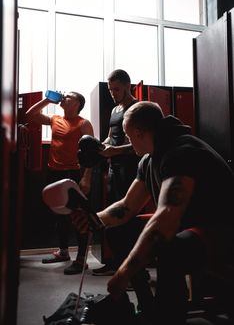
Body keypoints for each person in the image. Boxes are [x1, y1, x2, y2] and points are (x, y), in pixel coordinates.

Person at [72, 101, 234, 324]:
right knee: (118, 232)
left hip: (222, 231)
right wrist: (96, 219)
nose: (129, 142)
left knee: (168, 248)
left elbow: (166, 218)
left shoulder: (181, 151)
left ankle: (167, 317)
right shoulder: (149, 160)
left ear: (139, 133)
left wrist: (123, 274)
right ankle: (149, 309)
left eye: (129, 137)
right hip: (188, 229)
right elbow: (126, 206)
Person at [26, 91, 94, 275]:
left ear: (77, 103)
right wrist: (47, 100)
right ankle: (64, 252)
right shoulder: (55, 119)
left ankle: (81, 260)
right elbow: (30, 115)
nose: (64, 96)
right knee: (59, 215)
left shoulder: (83, 123)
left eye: (69, 96)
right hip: (54, 173)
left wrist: (86, 177)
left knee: (78, 216)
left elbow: (91, 153)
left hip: (73, 173)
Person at [92, 69, 141, 276]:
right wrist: (100, 146)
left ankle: (135, 272)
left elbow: (138, 144)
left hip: (131, 168)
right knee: (114, 216)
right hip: (114, 167)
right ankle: (116, 263)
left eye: (117, 89)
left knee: (127, 218)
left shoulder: (137, 108)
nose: (113, 93)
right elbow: (110, 138)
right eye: (111, 89)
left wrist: (115, 150)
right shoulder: (114, 110)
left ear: (127, 86)